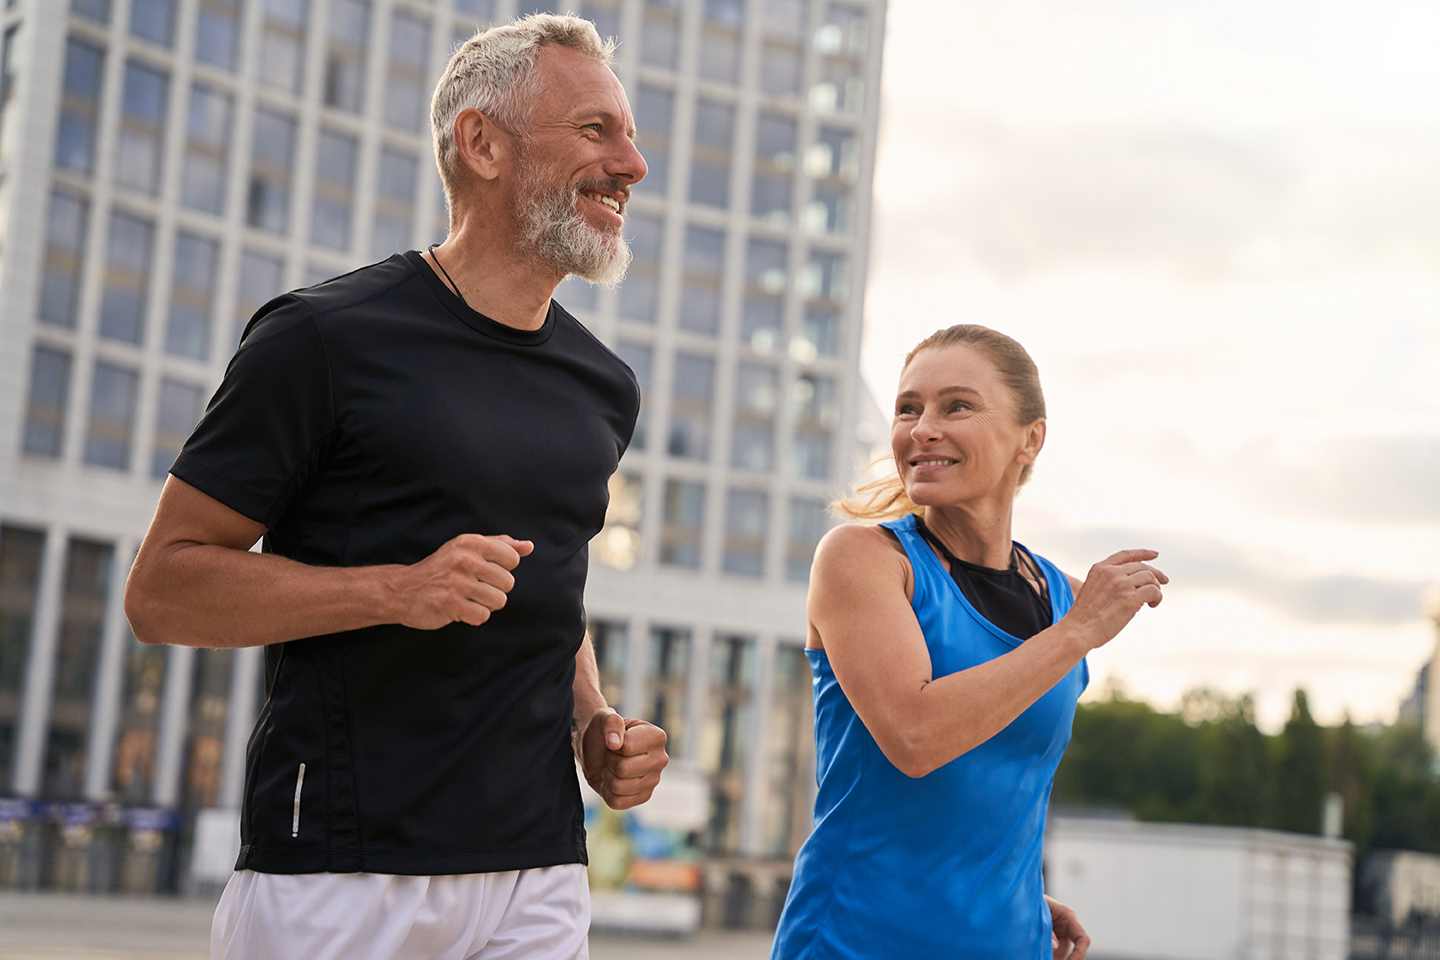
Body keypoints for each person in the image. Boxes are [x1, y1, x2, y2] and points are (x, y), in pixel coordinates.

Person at [124, 15, 667, 960]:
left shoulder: (605, 387)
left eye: (626, 134)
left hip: (537, 866)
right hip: (337, 869)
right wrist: (394, 589)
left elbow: (550, 590)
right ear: (482, 143)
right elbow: (161, 589)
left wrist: (593, 723)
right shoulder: (322, 340)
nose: (633, 164)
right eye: (595, 131)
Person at [769, 325, 1168, 960]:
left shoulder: (1064, 598)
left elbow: (994, 795)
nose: (922, 427)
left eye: (956, 406)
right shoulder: (864, 558)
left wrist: (1009, 897)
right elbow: (915, 736)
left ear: (1029, 438)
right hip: (855, 942)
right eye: (909, 408)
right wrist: (1078, 633)